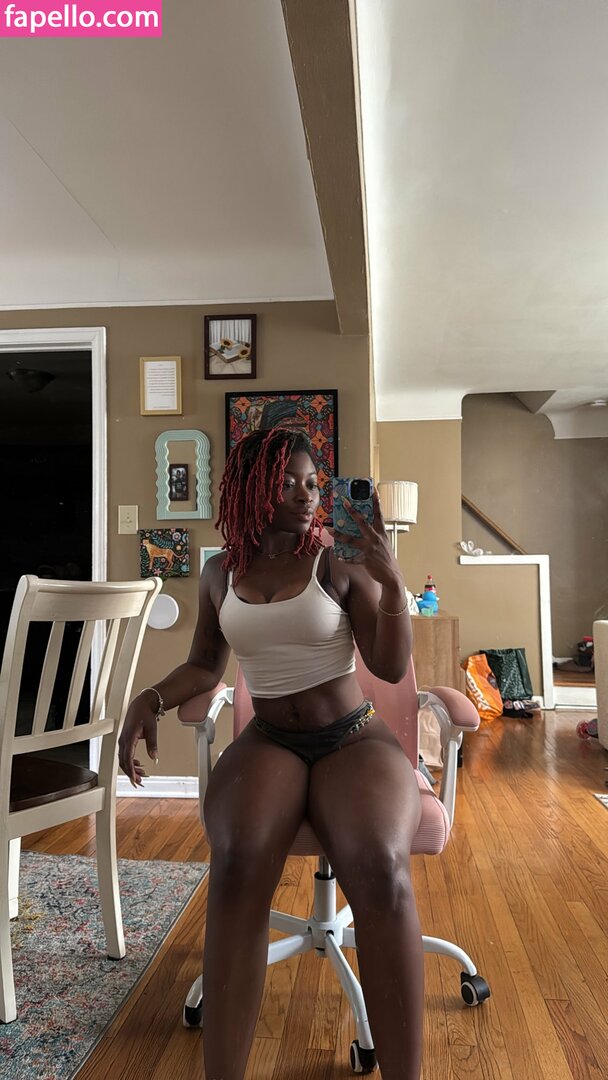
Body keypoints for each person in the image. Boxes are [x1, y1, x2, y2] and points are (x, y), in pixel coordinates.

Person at [118, 428, 423, 1080]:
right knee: (235, 865)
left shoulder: (336, 561)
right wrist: (150, 696)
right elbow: (205, 665)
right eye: (288, 483)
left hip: (352, 736)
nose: (307, 496)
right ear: (252, 487)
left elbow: (390, 666)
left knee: (381, 869)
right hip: (270, 740)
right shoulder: (220, 572)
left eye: (313, 483)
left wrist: (393, 584)